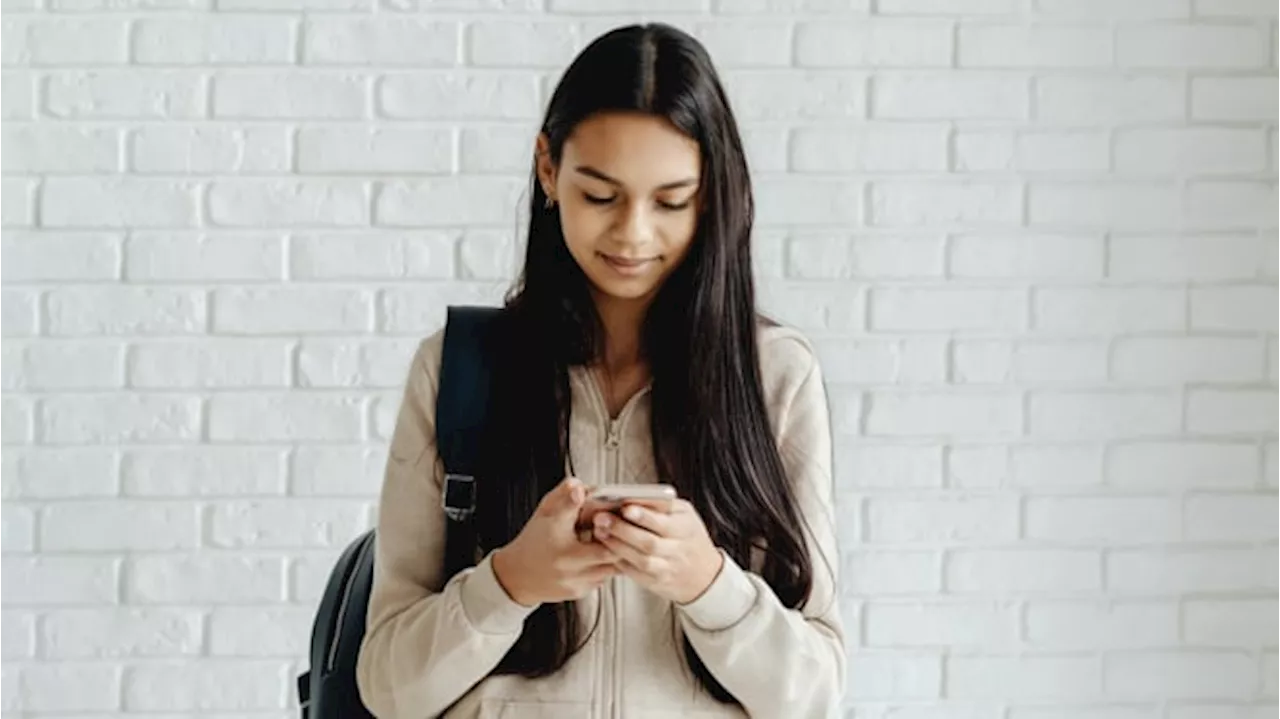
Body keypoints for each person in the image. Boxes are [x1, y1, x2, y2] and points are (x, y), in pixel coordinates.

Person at [354, 22, 845, 719]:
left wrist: (708, 584)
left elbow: (817, 691)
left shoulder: (773, 378)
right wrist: (511, 581)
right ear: (549, 170)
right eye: (601, 195)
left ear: (711, 195)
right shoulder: (460, 368)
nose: (634, 234)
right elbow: (387, 686)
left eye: (672, 201)